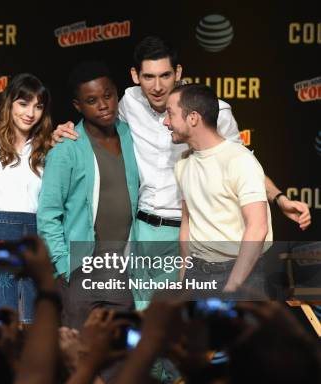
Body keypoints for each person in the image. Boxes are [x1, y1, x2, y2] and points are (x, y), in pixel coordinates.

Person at [54, 36, 311, 310]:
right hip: (141, 231)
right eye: (148, 77)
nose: (157, 86)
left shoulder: (215, 111)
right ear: (135, 76)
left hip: (186, 231)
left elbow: (242, 164)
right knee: (143, 322)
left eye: (165, 75)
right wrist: (65, 132)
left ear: (178, 73)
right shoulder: (127, 103)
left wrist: (280, 198)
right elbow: (93, 119)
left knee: (176, 326)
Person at [37, 61, 139, 330]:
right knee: (80, 355)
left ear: (117, 94)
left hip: (123, 269)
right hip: (81, 271)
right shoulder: (66, 148)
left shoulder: (131, 135)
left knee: (119, 357)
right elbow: (48, 214)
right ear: (78, 105)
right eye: (92, 100)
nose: (103, 105)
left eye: (108, 96)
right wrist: (63, 266)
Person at [167, 84, 272, 293]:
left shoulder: (239, 160)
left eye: (170, 114)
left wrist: (232, 287)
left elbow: (258, 228)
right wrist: (183, 277)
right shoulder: (183, 162)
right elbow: (188, 222)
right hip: (196, 273)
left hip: (242, 274)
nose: (165, 122)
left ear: (193, 118)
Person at [0, 73, 53, 323]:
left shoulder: (49, 149)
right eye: (23, 103)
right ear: (9, 103)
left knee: (32, 326)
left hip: (35, 240)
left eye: (38, 106)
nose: (30, 113)